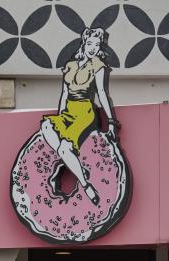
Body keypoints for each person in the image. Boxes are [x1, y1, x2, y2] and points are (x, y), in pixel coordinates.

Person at [39, 26, 119, 207]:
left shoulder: (98, 65)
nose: (93, 48)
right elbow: (64, 94)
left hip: (85, 112)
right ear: (84, 42)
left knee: (65, 148)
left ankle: (85, 184)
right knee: (46, 126)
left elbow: (102, 93)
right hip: (68, 111)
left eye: (97, 45)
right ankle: (69, 160)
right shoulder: (70, 65)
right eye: (90, 43)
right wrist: (60, 117)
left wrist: (111, 121)